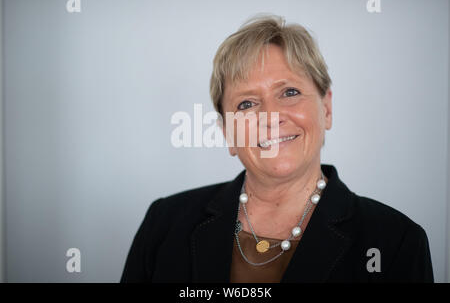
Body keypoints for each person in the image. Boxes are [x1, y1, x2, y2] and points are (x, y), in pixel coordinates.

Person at [121, 14, 434, 282]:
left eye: (289, 92)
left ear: (326, 109)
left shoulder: (396, 242)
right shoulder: (164, 223)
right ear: (228, 133)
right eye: (247, 103)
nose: (270, 117)